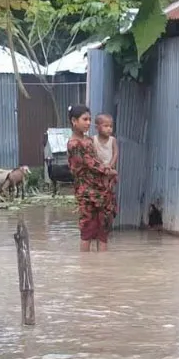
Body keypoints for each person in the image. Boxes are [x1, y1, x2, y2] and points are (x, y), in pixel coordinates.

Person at [67, 105, 117, 252]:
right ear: (74, 121)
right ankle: (86, 268)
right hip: (87, 193)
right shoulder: (74, 144)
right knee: (87, 231)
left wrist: (108, 173)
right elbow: (91, 164)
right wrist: (109, 171)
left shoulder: (88, 140)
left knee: (103, 230)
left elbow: (97, 161)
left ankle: (99, 269)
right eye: (85, 119)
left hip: (101, 191)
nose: (88, 122)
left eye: (89, 119)